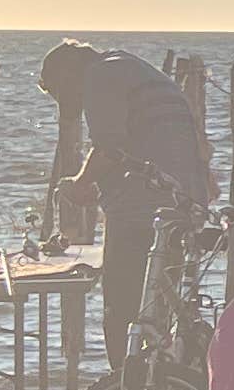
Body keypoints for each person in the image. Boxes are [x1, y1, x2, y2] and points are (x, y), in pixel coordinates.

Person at [33, 42, 217, 365]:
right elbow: (143, 145)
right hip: (182, 207)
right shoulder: (135, 70)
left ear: (67, 74)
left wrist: (79, 184)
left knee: (121, 317)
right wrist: (101, 186)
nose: (64, 104)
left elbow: (108, 148)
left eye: (57, 94)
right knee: (160, 317)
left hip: (142, 216)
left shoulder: (99, 76)